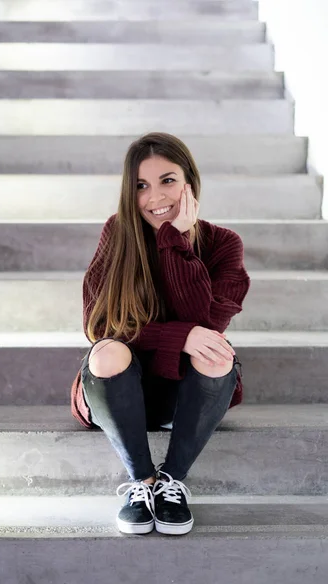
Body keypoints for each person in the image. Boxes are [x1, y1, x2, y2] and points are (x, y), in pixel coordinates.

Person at [70, 132, 251, 536]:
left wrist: (175, 242)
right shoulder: (119, 233)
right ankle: (142, 483)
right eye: (141, 186)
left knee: (216, 353)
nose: (155, 197)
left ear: (189, 182)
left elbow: (206, 323)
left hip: (187, 394)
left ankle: (172, 482)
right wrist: (177, 337)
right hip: (120, 390)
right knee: (107, 352)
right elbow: (99, 325)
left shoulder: (223, 244)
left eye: (167, 180)